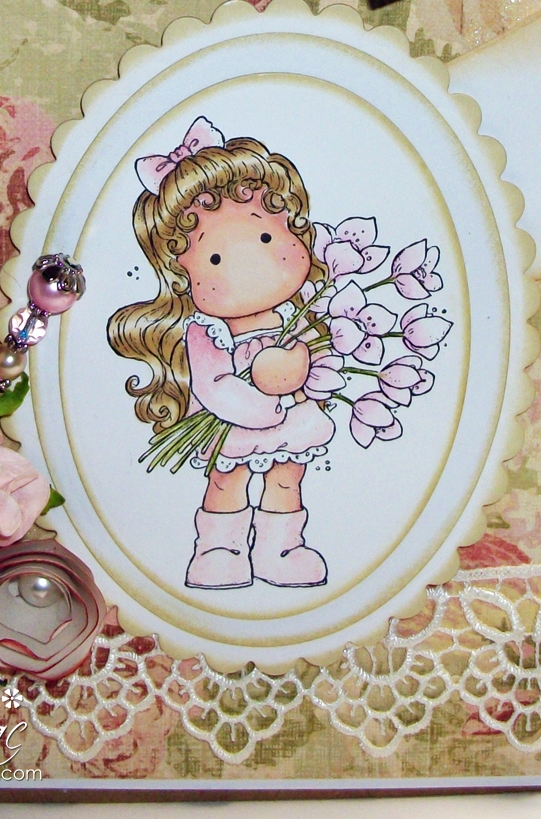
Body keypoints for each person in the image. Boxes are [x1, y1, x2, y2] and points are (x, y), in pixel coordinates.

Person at [108, 117, 335, 590]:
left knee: (287, 476)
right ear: (182, 275)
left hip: (291, 416)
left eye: (266, 238)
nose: (252, 264)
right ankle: (218, 550)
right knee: (227, 481)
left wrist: (300, 366)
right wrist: (262, 402)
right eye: (214, 258)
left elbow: (320, 357)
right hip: (235, 421)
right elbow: (213, 385)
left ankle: (281, 549)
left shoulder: (299, 314)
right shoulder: (206, 332)